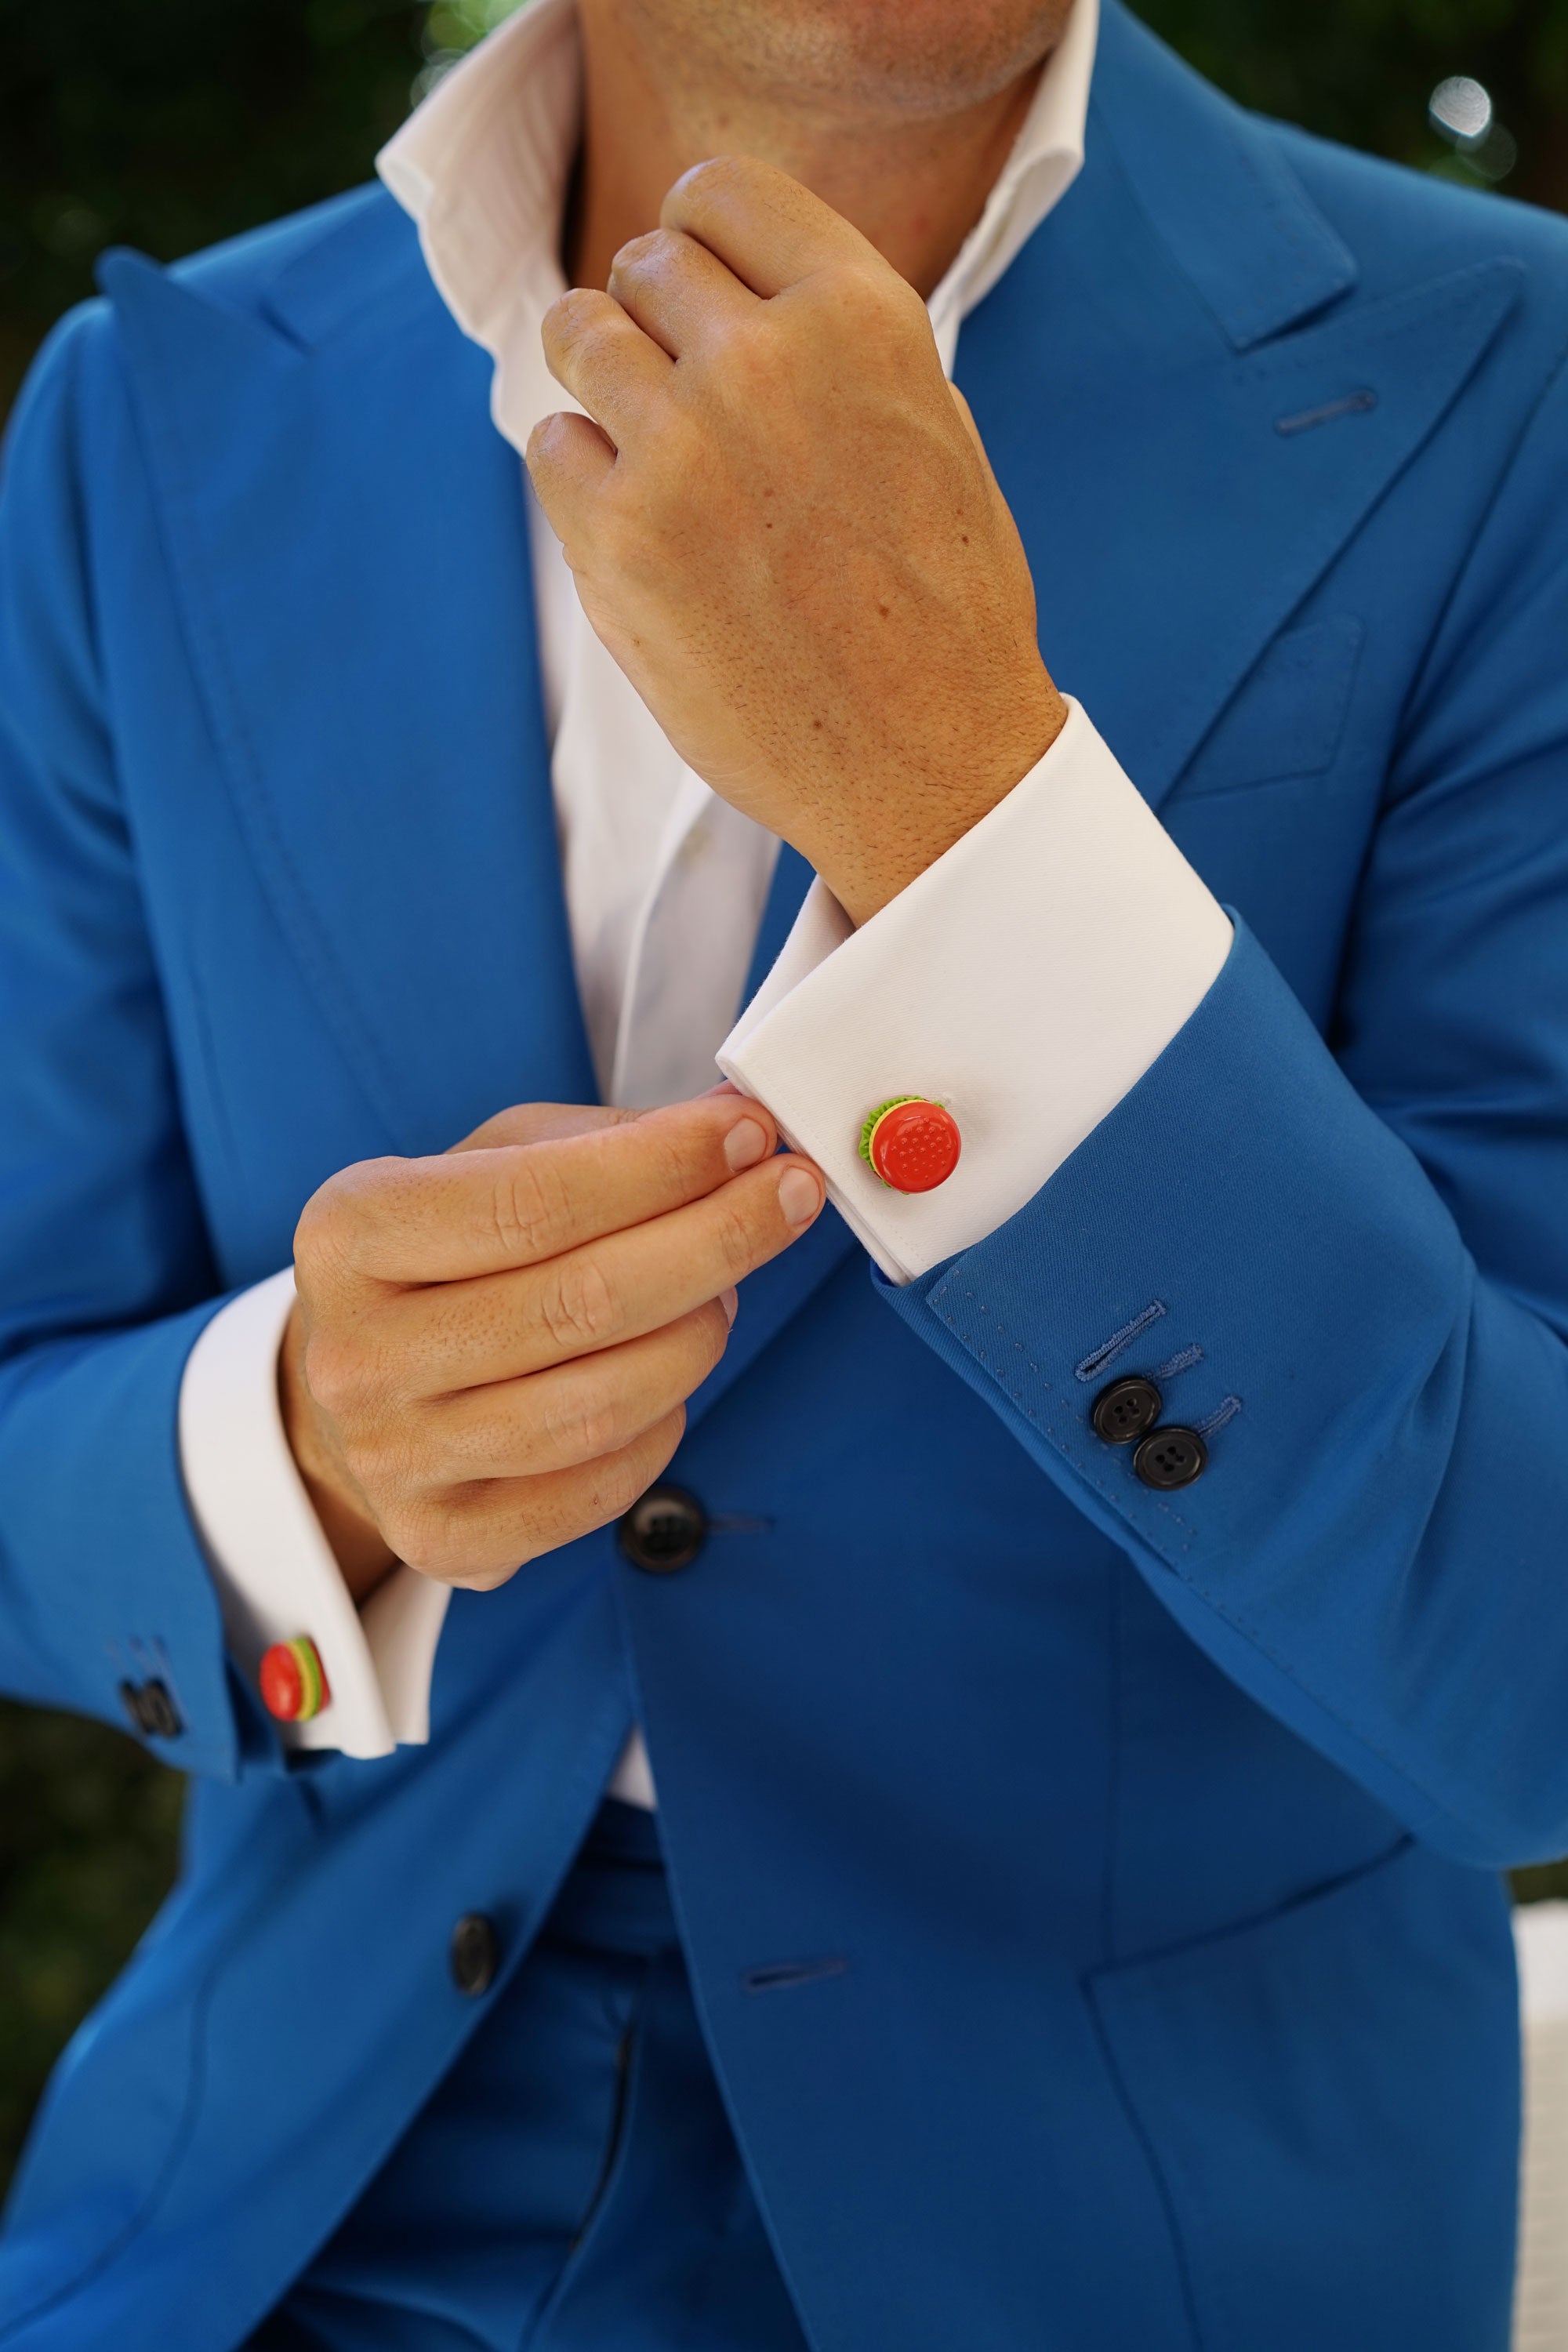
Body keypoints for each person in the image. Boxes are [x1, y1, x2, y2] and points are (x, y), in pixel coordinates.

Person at [1, 0, 1566, 2338]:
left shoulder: (1509, 380)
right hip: (294, 2196)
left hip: (1148, 2237)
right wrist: (302, 1444)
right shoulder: (143, 425)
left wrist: (964, 810)